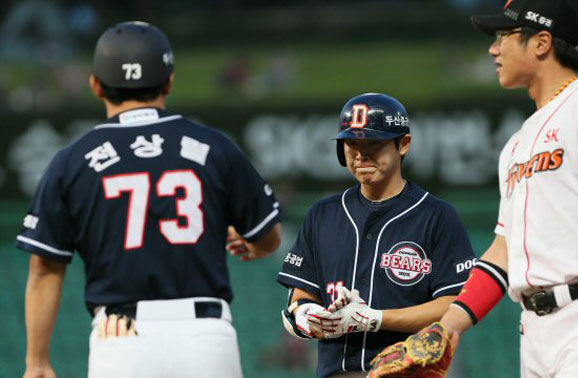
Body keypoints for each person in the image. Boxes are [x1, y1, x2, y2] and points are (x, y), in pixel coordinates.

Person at [373, 1, 578, 377]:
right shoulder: (517, 145)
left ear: (542, 42)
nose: (493, 48)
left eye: (503, 35)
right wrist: (450, 324)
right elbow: (503, 252)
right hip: (535, 330)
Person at [17, 21, 282, 378]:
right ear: (169, 80)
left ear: (96, 85)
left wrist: (37, 363)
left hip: (120, 336)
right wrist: (255, 247)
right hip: (206, 336)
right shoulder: (212, 146)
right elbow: (268, 237)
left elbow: (44, 268)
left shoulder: (74, 160)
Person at [276, 93, 477, 378]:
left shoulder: (436, 216)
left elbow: (455, 304)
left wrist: (375, 319)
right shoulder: (322, 214)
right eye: (352, 143)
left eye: (373, 142)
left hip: (408, 372)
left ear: (403, 144)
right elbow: (301, 296)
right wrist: (309, 316)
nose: (361, 153)